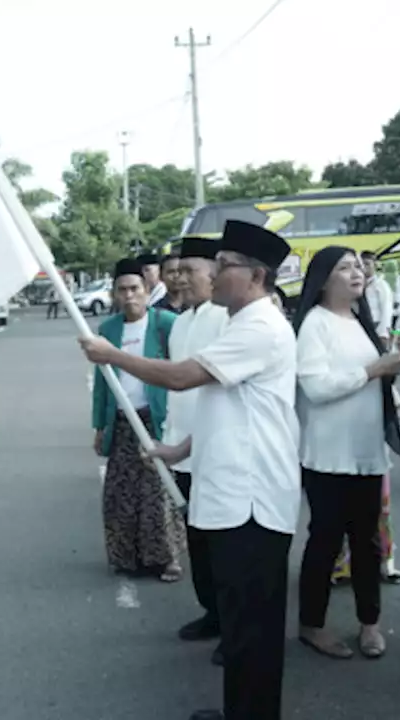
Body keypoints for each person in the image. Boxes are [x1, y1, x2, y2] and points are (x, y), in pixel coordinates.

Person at [80, 219, 299, 720]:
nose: (210, 275)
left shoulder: (261, 327)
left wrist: (112, 356)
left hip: (252, 501)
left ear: (256, 276)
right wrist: (182, 450)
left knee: (253, 627)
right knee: (242, 622)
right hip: (233, 490)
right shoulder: (241, 323)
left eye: (224, 266)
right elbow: (239, 410)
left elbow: (181, 377)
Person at [292, 246, 400, 661]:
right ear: (323, 280)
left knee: (368, 542)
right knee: (325, 541)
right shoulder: (315, 325)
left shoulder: (360, 321)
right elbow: (317, 388)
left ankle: (369, 623)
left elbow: (366, 379)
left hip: (366, 451)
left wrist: (388, 386)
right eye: (344, 267)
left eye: (358, 265)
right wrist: (375, 370)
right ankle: (312, 624)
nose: (356, 272)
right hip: (327, 455)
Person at [90, 258, 184, 582]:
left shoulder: (166, 324)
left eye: (135, 289)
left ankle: (167, 558)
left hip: (156, 419)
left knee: (158, 491)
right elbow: (102, 382)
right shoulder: (109, 330)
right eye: (122, 290)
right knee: (121, 492)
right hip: (121, 421)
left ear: (147, 290)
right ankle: (126, 557)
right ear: (115, 294)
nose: (129, 296)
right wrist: (99, 426)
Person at [165, 237, 231, 665]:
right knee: (198, 538)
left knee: (225, 545)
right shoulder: (179, 322)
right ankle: (212, 612)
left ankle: (234, 625)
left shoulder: (227, 319)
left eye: (189, 271)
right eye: (177, 271)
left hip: (217, 448)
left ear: (214, 274)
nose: (180, 278)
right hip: (182, 447)